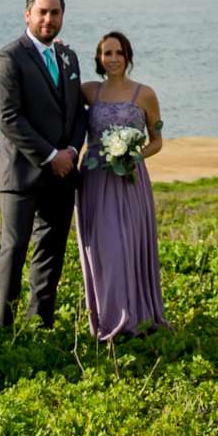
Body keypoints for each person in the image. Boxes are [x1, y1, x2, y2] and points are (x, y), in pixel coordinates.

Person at [0, 0, 88, 329]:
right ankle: (2, 328)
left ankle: (40, 324)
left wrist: (72, 152)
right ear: (27, 14)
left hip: (62, 175)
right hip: (21, 172)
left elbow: (77, 112)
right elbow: (9, 118)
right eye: (42, 12)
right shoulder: (9, 58)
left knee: (51, 251)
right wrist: (50, 155)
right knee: (13, 250)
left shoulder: (68, 57)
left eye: (55, 13)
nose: (49, 19)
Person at [76, 30, 167, 342]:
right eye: (106, 53)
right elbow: (54, 93)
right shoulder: (89, 92)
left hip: (129, 181)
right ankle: (108, 317)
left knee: (127, 246)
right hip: (93, 180)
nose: (112, 59)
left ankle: (135, 317)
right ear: (99, 59)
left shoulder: (144, 94)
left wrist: (132, 155)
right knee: (101, 250)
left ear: (128, 56)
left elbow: (157, 141)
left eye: (118, 53)